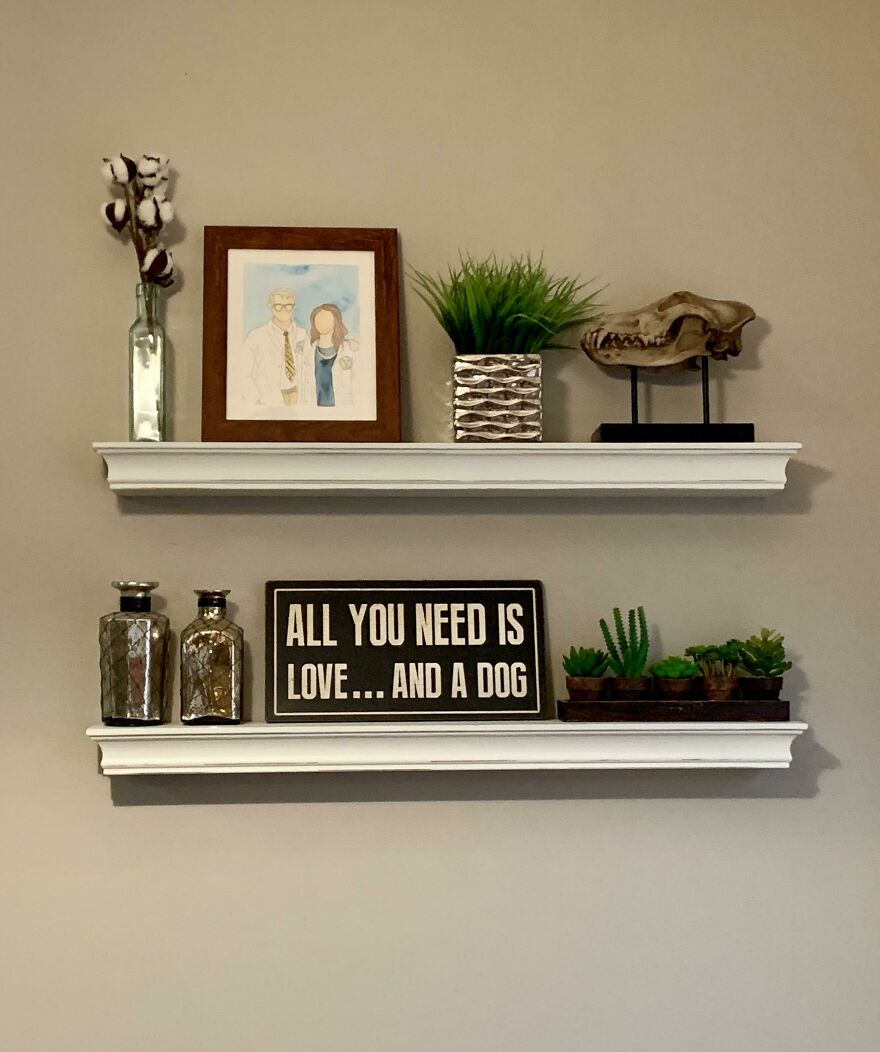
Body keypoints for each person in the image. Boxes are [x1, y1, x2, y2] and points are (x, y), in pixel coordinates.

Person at [238, 288, 309, 408]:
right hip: (268, 397)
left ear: (294, 307)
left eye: (288, 306)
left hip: (297, 395)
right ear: (270, 306)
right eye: (278, 306)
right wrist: (257, 400)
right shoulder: (256, 336)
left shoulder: (303, 334)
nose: (284, 310)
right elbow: (243, 374)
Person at [300, 303, 359, 407]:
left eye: (326, 320)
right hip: (313, 408)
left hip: (341, 409)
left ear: (335, 321)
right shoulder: (306, 349)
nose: (321, 323)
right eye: (318, 319)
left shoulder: (349, 350)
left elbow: (358, 382)